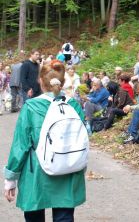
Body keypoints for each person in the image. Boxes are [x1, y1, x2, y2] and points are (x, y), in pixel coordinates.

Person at [3, 60, 86, 221]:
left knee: (34, 214)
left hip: (37, 170)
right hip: (68, 167)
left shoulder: (31, 107)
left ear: (40, 81)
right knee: (65, 217)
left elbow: (21, 145)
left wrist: (11, 178)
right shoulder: (74, 105)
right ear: (62, 82)